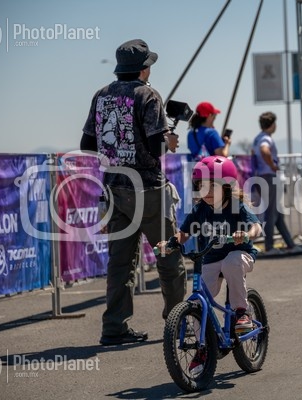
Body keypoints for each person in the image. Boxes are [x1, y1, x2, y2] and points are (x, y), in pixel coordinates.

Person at [80, 39, 186, 345]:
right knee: (168, 257)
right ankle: (178, 323)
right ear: (144, 68)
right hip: (148, 189)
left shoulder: (101, 95)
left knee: (120, 263)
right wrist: (169, 142)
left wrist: (117, 149)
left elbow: (87, 144)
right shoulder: (148, 95)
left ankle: (114, 328)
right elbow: (156, 147)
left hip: (114, 188)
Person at [156, 155, 263, 373]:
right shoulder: (200, 209)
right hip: (212, 258)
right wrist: (170, 244)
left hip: (239, 255)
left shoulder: (236, 206)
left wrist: (245, 234)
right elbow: (184, 233)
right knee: (198, 302)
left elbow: (256, 227)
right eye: (201, 186)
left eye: (212, 186)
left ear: (226, 186)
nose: (206, 191)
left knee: (231, 262)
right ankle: (203, 347)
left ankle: (241, 312)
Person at [252, 112, 302, 255]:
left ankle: (290, 244)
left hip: (261, 176)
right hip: (268, 177)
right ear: (272, 124)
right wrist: (273, 166)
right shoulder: (266, 139)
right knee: (271, 213)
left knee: (277, 213)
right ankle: (269, 247)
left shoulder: (257, 138)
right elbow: (264, 150)